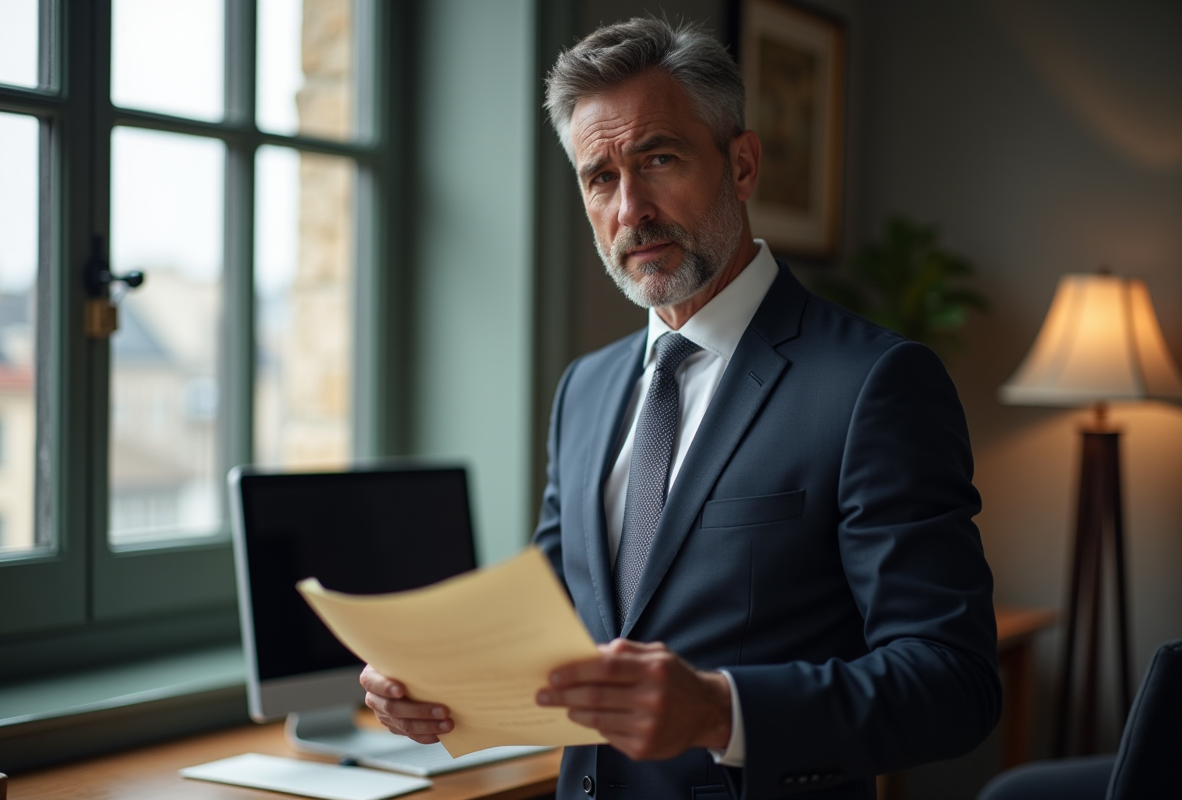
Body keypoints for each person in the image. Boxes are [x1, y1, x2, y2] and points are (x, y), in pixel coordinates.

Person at [361, 17, 1000, 799]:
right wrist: (435, 683)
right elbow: (558, 620)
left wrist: (720, 711)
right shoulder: (584, 390)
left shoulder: (876, 383)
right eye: (601, 177)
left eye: (658, 159)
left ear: (742, 164)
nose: (631, 208)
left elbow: (953, 682)